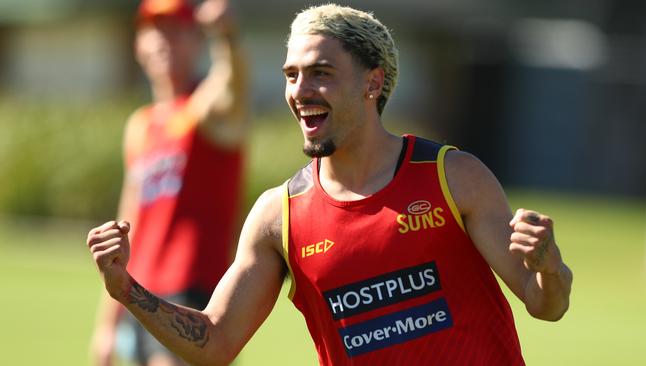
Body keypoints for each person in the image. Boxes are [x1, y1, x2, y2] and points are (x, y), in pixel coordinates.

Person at [87, 4, 572, 365]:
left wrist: (549, 267)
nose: (300, 91)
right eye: (292, 75)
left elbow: (545, 304)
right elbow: (213, 341)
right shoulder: (280, 216)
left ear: (372, 83)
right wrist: (126, 288)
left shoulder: (453, 177)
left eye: (321, 73)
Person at [89, 0, 247, 365]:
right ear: (137, 45)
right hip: (137, 294)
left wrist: (228, 38)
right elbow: (129, 221)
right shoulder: (141, 125)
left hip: (191, 293)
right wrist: (107, 324)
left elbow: (233, 86)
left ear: (196, 42)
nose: (162, 41)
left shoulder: (204, 112)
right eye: (153, 32)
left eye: (175, 32)